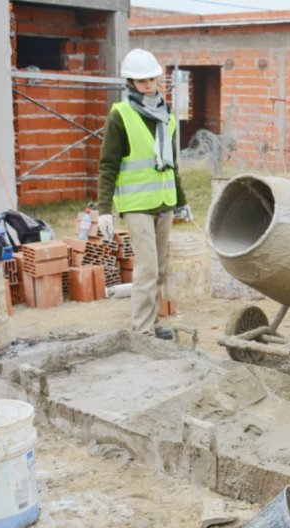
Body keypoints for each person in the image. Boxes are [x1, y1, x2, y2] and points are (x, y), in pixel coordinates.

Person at [97, 48, 192, 340]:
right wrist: (104, 210)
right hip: (136, 204)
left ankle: (151, 323)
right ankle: (142, 332)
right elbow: (108, 165)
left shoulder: (167, 117)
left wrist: (182, 202)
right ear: (130, 83)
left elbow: (171, 166)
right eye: (141, 81)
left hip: (163, 203)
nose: (148, 85)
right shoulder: (120, 116)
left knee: (160, 269)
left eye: (151, 79)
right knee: (147, 269)